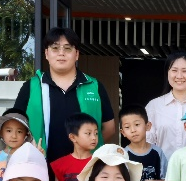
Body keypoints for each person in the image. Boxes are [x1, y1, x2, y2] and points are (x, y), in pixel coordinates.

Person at [12, 26, 116, 163]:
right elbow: (15, 127)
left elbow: (109, 128)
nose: (61, 53)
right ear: (46, 53)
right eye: (55, 48)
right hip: (40, 166)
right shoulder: (31, 87)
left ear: (77, 54)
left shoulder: (94, 86)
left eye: (67, 48)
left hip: (86, 168)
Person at [50, 112, 100, 181]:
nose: (94, 137)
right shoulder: (60, 164)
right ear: (73, 137)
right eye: (88, 133)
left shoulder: (99, 162)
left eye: (96, 133)